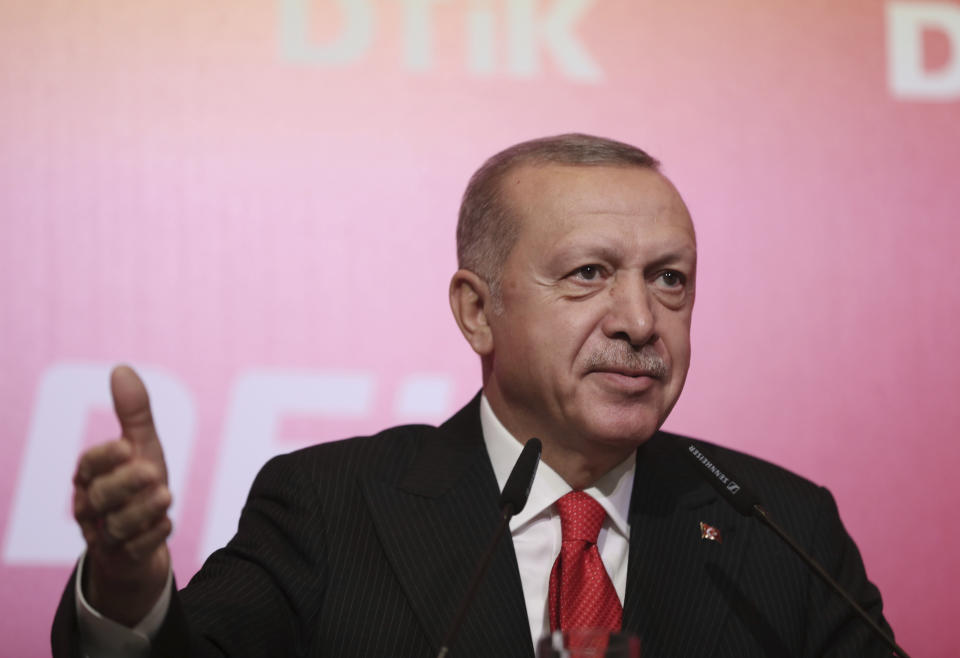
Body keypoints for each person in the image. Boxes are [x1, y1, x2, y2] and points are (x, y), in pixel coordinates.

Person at [53, 134, 895, 657]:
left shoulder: (780, 530)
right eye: (590, 274)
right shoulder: (330, 507)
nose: (640, 320)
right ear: (477, 310)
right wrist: (127, 586)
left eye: (669, 280)